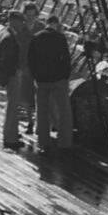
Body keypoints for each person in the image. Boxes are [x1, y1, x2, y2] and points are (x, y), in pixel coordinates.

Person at [28, 15, 73, 153]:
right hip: (58, 80)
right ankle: (64, 142)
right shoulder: (60, 38)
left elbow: (31, 60)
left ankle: (43, 142)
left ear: (46, 24)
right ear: (57, 24)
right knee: (64, 111)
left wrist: (36, 76)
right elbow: (66, 59)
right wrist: (65, 76)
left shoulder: (36, 37)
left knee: (42, 111)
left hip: (41, 80)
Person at [0, 10, 25, 149]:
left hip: (7, 74)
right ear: (14, 21)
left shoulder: (3, 33)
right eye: (20, 21)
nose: (22, 24)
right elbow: (6, 60)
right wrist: (15, 72)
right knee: (13, 106)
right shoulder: (9, 38)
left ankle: (11, 132)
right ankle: (10, 138)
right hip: (11, 75)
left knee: (11, 105)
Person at [17, 1, 44, 132]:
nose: (30, 17)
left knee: (39, 94)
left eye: (33, 15)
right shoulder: (20, 29)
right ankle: (30, 122)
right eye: (28, 15)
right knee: (26, 95)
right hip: (24, 65)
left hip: (38, 65)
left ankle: (40, 122)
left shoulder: (41, 27)